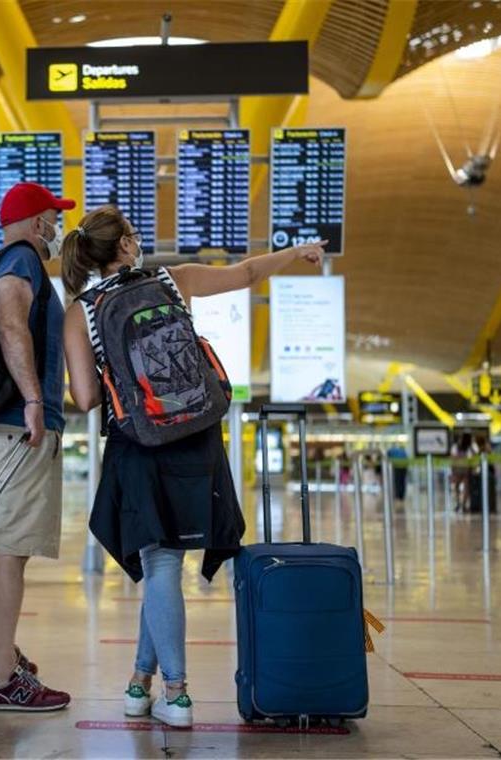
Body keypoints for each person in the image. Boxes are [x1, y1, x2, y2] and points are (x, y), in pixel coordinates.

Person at [61, 204, 324, 728]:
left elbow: (86, 397)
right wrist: (296, 252)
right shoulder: (172, 281)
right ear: (128, 246)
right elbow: (246, 273)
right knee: (167, 567)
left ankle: (175, 694)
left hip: (140, 444)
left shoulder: (81, 310)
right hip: (197, 437)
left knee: (159, 566)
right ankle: (140, 683)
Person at [0, 182, 74, 712]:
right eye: (53, 216)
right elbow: (10, 320)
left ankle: (2, 660)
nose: (57, 226)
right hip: (13, 429)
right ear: (34, 222)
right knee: (9, 552)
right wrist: (33, 400)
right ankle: (3, 681)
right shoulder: (22, 260)